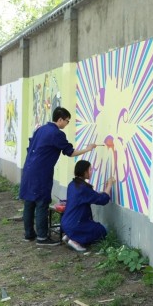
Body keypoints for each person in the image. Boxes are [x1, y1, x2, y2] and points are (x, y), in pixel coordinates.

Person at [19, 107, 96, 245]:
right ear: (60, 119)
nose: (67, 124)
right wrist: (88, 149)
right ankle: (42, 238)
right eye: (67, 121)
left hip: (29, 169)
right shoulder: (56, 134)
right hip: (41, 173)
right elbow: (70, 152)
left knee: (29, 202)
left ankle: (29, 234)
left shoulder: (40, 129)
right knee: (42, 202)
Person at [61, 160, 114, 252]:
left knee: (94, 227)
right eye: (90, 169)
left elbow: (91, 196)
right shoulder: (83, 188)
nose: (91, 171)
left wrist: (104, 191)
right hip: (75, 224)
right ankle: (75, 240)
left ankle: (70, 236)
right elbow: (103, 200)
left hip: (66, 222)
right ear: (84, 171)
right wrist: (109, 185)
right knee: (103, 230)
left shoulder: (73, 184)